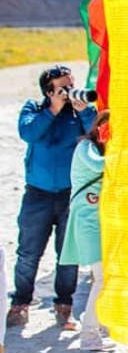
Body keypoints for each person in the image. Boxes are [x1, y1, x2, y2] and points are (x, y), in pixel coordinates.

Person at [9, 65, 97, 330]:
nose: (70, 91)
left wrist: (84, 111)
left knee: (68, 254)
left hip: (71, 194)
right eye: (64, 87)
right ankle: (21, 304)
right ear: (49, 90)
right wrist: (53, 109)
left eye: (72, 84)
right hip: (37, 194)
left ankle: (64, 307)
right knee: (28, 253)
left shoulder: (78, 113)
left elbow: (97, 134)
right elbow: (29, 133)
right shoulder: (34, 109)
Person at [59, 110, 111, 349]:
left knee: (105, 278)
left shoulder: (106, 151)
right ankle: (89, 334)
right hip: (87, 223)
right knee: (101, 278)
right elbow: (97, 165)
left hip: (103, 223)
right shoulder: (85, 148)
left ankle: (94, 324)